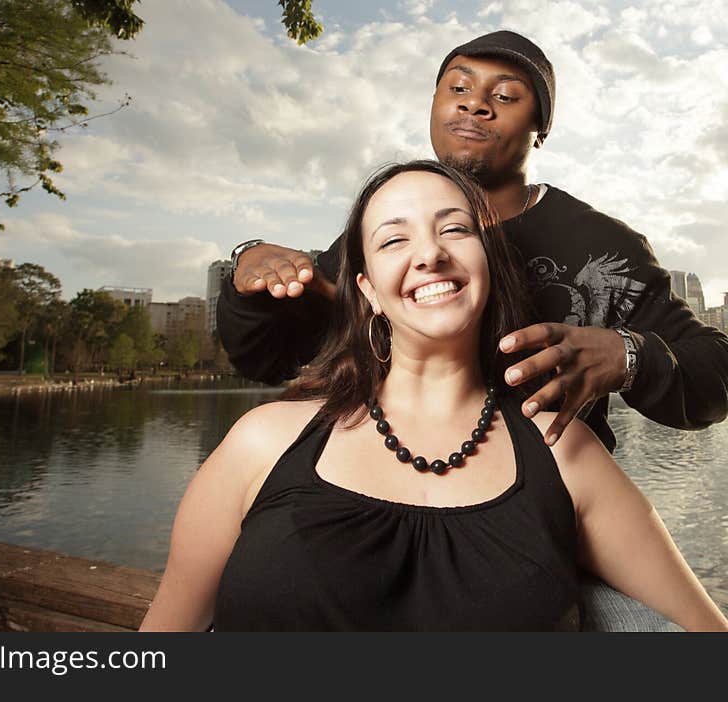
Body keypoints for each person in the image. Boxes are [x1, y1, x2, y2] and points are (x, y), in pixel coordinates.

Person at [216, 30, 728, 631]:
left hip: (540, 539)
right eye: (457, 87)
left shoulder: (603, 248)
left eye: (505, 95)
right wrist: (252, 274)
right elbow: (274, 357)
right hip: (385, 514)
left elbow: (714, 370)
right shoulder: (395, 232)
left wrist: (630, 354)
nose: (475, 103)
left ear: (542, 127)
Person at [140, 161, 727, 631]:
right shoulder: (262, 441)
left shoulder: (565, 451)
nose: (430, 254)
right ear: (365, 289)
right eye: (394, 239)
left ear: (489, 264)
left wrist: (632, 354)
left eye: (454, 229)